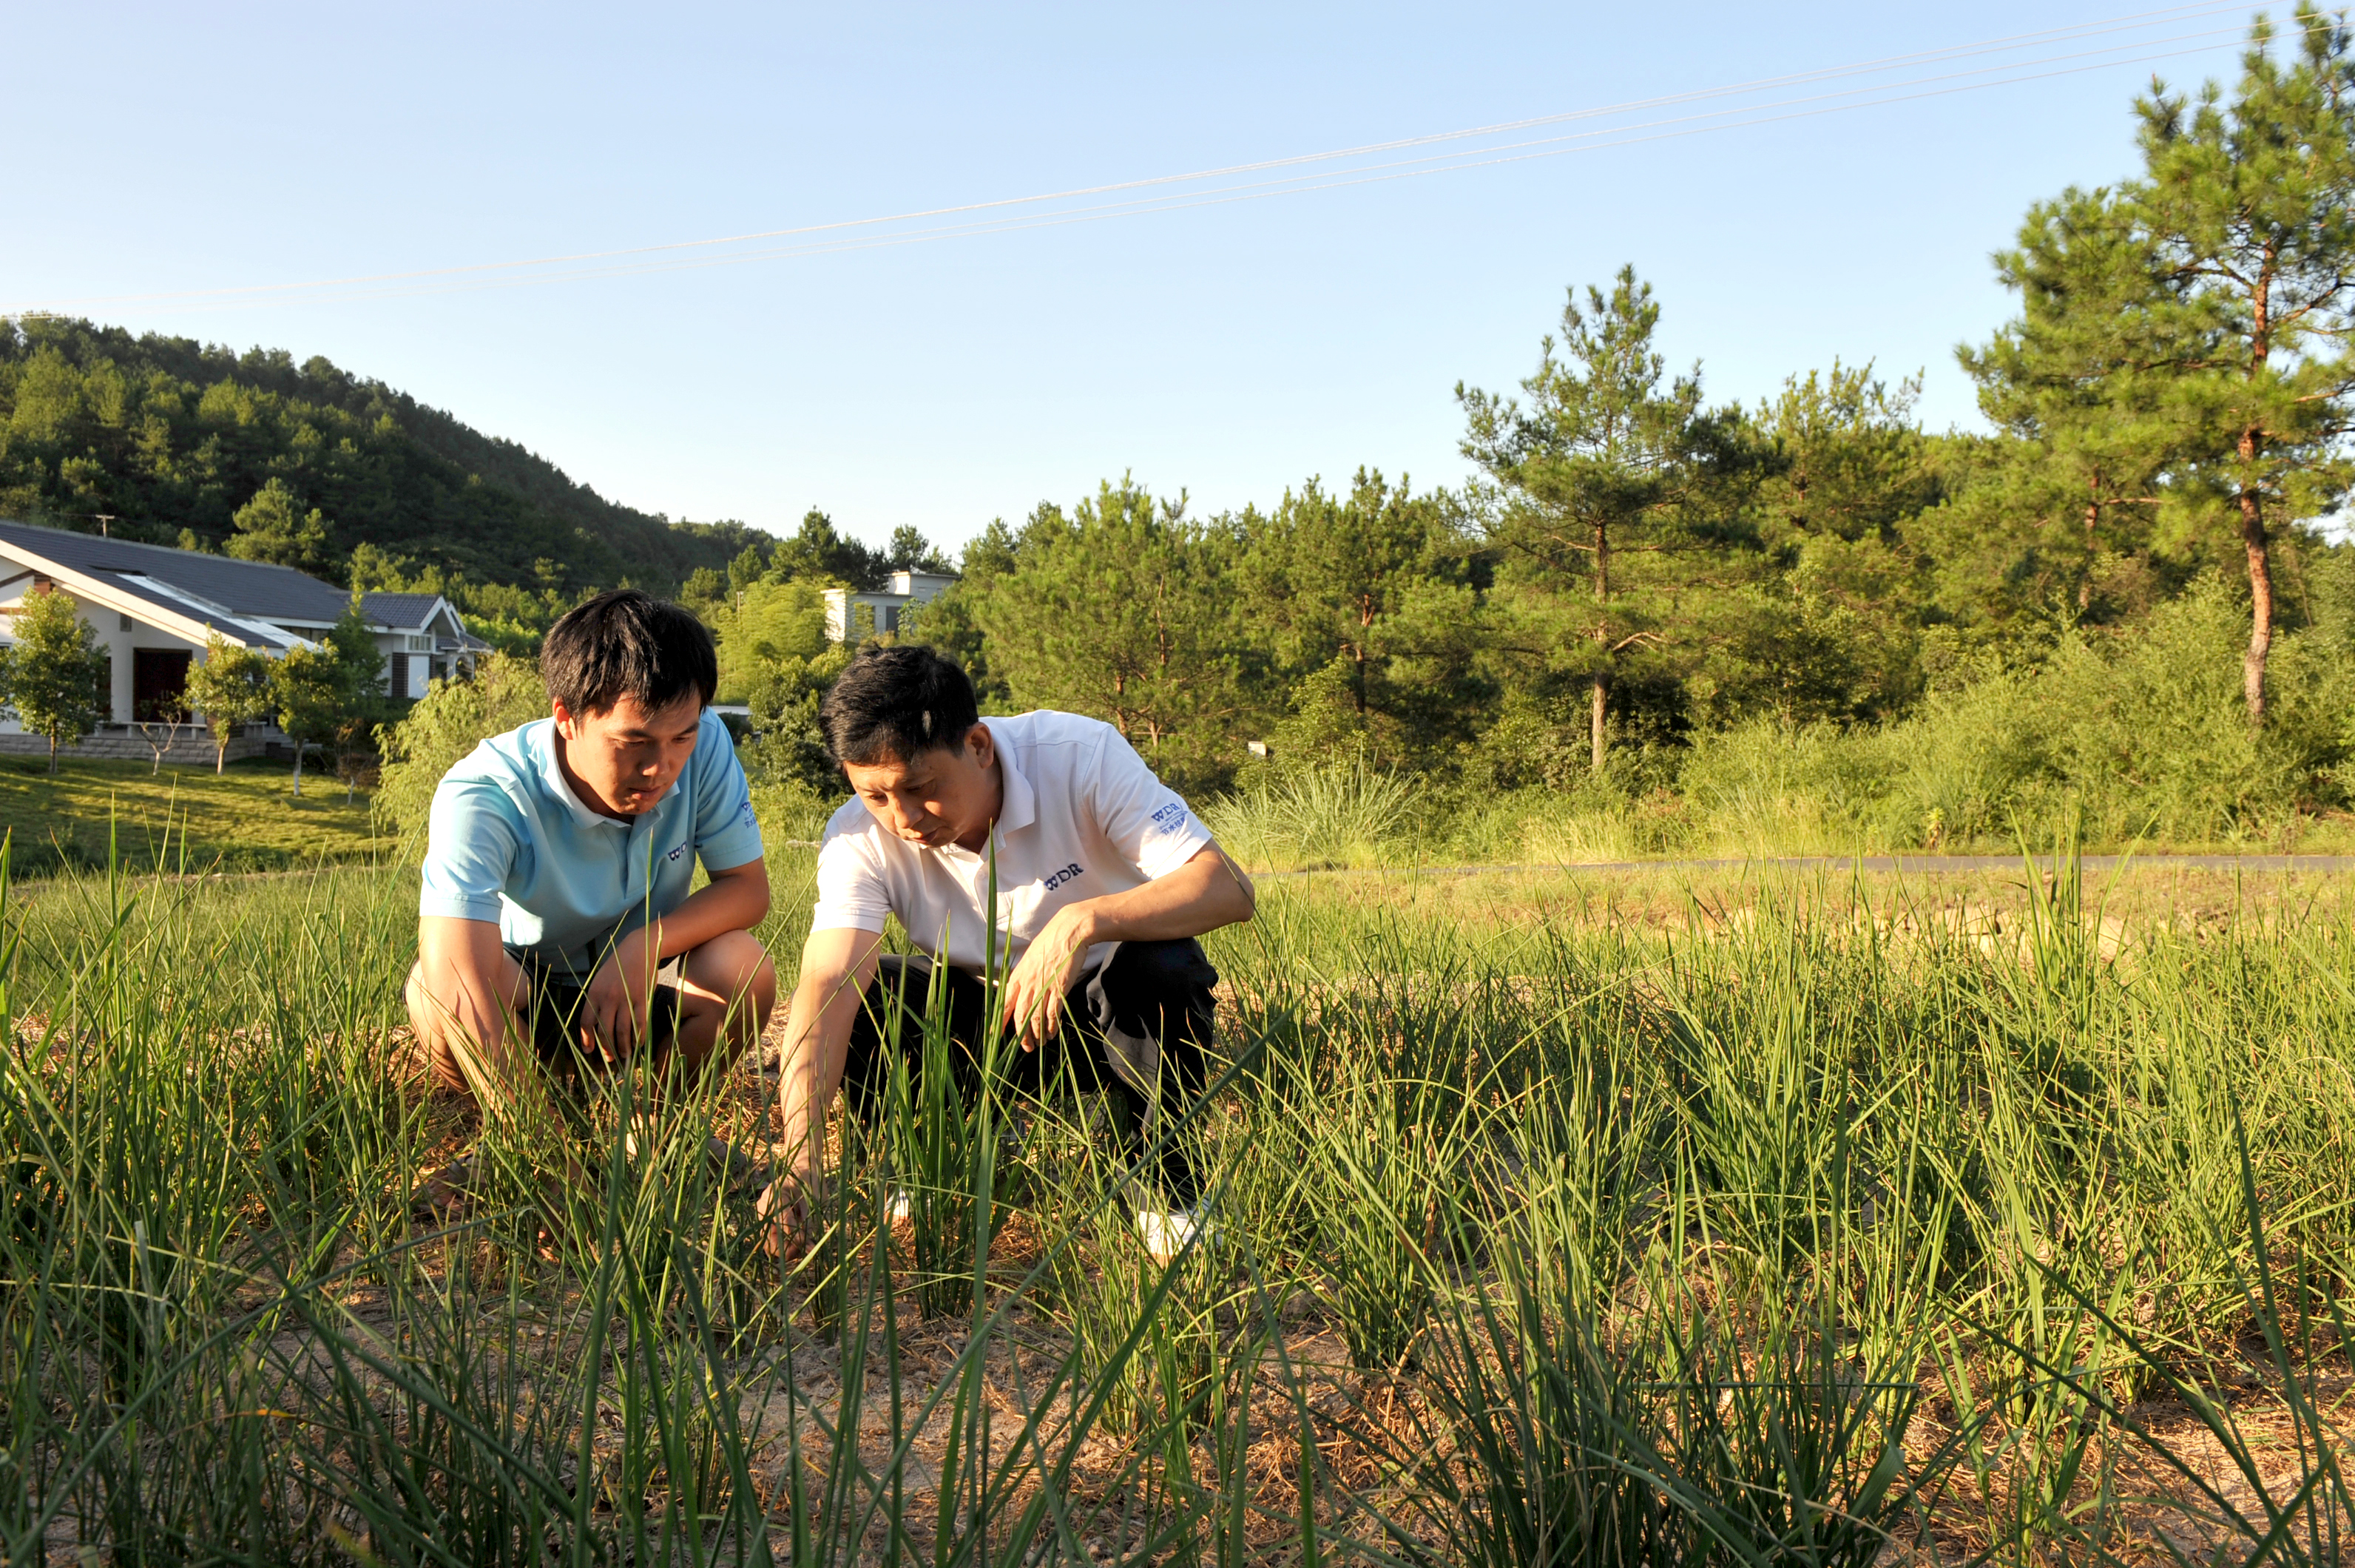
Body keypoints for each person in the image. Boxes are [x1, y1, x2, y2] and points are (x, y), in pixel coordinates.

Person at [759, 643, 1255, 1260]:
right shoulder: (857, 836)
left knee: (1161, 968)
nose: (905, 818)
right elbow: (829, 978)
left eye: (921, 787)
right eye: (876, 796)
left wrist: (1085, 921)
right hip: (983, 1030)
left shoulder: (1080, 756)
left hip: (1107, 1020)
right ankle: (932, 1154)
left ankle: (1162, 1186)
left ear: (978, 746)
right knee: (871, 994)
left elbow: (1229, 888)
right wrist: (800, 1153)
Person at [405, 589, 779, 1214]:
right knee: (434, 987)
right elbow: (458, 976)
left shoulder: (705, 744)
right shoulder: (484, 793)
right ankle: (521, 1142)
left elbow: (749, 889)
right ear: (567, 716)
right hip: (529, 1002)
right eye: (633, 743)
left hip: (637, 995)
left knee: (744, 967)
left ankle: (652, 1136)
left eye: (680, 739)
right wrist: (553, 1168)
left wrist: (642, 948)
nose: (662, 768)